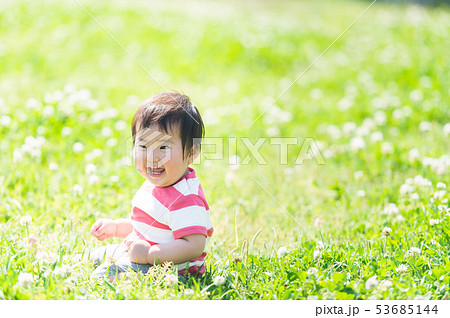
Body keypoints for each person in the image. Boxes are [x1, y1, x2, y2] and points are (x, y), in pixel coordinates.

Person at [88, 92, 213, 280]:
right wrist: (115, 227)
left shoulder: (186, 198)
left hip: (169, 270)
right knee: (93, 256)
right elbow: (147, 227)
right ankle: (50, 259)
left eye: (163, 147)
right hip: (138, 253)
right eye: (143, 146)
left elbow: (194, 244)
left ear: (191, 153)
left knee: (103, 275)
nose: (151, 157)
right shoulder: (155, 184)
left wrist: (152, 255)